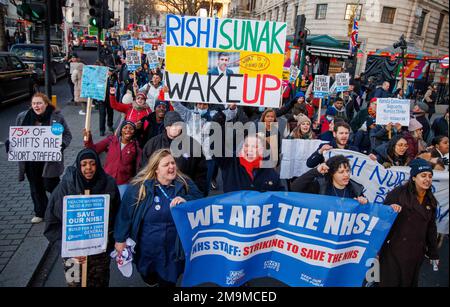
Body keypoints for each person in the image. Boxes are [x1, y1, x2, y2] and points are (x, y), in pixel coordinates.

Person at [113, 149, 203, 287]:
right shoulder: (139, 187)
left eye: (173, 163)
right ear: (156, 169)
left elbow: (200, 200)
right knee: (148, 277)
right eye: (166, 164)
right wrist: (120, 239)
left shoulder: (184, 183)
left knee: (168, 281)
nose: (172, 167)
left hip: (173, 248)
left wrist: (186, 200)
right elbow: (125, 214)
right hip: (147, 248)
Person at [44, 149, 120, 287]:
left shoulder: (109, 184)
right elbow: (52, 223)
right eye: (84, 164)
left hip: (99, 253)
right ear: (79, 166)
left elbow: (117, 215)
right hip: (72, 255)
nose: (88, 168)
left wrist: (112, 240)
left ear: (98, 164)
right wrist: (67, 250)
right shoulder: (64, 188)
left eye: (92, 164)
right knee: (74, 284)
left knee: (100, 283)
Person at [10, 93, 72, 223]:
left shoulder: (56, 117)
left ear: (46, 104)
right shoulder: (22, 117)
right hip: (30, 161)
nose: (36, 106)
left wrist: (61, 145)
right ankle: (40, 212)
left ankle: (58, 209)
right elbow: (16, 136)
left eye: (39, 103)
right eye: (34, 104)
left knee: (51, 185)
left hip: (49, 161)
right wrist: (10, 143)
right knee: (35, 187)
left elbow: (67, 135)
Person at [379, 159, 439, 287]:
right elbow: (382, 221)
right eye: (423, 176)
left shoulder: (430, 200)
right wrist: (377, 249)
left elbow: (431, 229)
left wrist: (433, 252)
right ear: (413, 178)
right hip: (393, 251)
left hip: (416, 253)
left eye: (430, 176)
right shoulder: (398, 194)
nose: (427, 179)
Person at [141, 112, 208, 196]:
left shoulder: (193, 145)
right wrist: (146, 190)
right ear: (166, 127)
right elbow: (144, 169)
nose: (174, 128)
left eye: (177, 125)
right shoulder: (152, 144)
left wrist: (198, 194)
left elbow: (201, 172)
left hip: (184, 191)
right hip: (157, 192)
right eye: (171, 125)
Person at [84, 121, 141, 199]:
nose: (128, 130)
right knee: (106, 204)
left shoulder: (136, 148)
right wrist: (88, 139)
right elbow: (94, 149)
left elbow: (139, 167)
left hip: (123, 183)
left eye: (131, 128)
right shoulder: (111, 140)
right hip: (107, 180)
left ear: (134, 132)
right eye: (125, 128)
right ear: (121, 130)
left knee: (120, 205)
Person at [216, 133, 285, 193]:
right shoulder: (229, 162)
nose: (250, 150)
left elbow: (280, 195)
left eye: (255, 146)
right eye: (247, 146)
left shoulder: (270, 171)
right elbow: (216, 146)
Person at [291, 155, 368, 205]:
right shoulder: (320, 185)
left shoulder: (355, 189)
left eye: (347, 171)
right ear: (332, 174)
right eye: (341, 172)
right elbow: (295, 188)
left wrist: (365, 203)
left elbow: (365, 213)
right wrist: (316, 171)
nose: (346, 175)